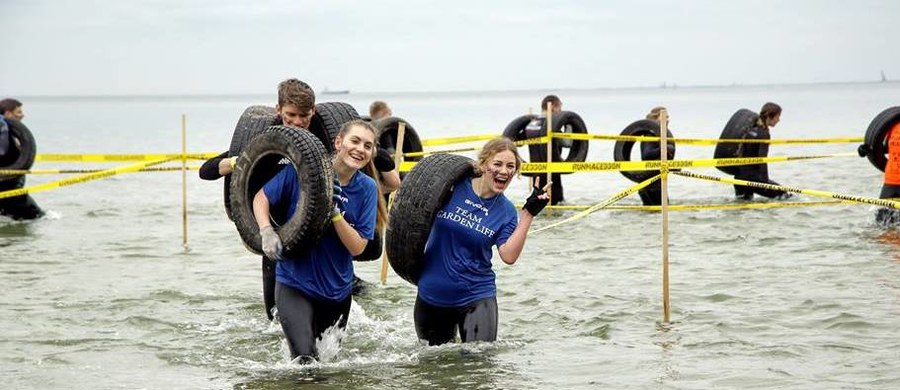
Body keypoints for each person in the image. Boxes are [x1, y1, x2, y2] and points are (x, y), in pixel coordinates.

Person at [253, 119, 379, 362]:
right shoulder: (303, 173)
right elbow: (260, 198)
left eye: (367, 145)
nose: (360, 149)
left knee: (327, 366)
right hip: (295, 284)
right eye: (355, 141)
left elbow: (358, 247)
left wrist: (333, 212)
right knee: (305, 364)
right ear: (339, 142)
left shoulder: (367, 188)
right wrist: (266, 230)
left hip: (338, 294)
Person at [199, 78, 317, 321]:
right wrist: (241, 161)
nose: (297, 122)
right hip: (273, 232)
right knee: (274, 317)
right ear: (278, 110)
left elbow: (378, 158)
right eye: (290, 114)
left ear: (313, 111)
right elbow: (206, 170)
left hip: (316, 233)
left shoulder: (323, 138)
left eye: (303, 115)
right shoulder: (263, 139)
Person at [414, 137, 550, 346]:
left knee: (479, 366)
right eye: (498, 164)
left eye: (511, 166)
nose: (504, 171)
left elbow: (509, 256)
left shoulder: (506, 211)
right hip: (432, 294)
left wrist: (528, 214)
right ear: (483, 164)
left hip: (477, 296)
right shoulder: (452, 188)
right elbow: (412, 210)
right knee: (433, 368)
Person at [733, 102, 792, 200]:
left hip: (739, 178)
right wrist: (765, 182)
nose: (779, 120)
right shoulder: (764, 134)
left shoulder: (750, 130)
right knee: (785, 195)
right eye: (777, 117)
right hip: (754, 179)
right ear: (769, 116)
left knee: (743, 208)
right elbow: (762, 160)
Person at [0, 98, 44, 220]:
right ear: (8, 114)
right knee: (40, 219)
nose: (22, 115)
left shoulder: (9, 132)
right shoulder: (3, 132)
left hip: (9, 189)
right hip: (11, 190)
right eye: (18, 112)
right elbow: (2, 152)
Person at [526, 95, 564, 205]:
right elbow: (567, 143)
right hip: (551, 177)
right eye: (559, 108)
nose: (561, 111)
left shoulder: (531, 124)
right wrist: (569, 127)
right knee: (556, 206)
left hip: (536, 175)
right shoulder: (551, 125)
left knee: (536, 206)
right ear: (552, 106)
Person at [638, 106, 676, 206]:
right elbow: (647, 154)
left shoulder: (660, 135)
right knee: (659, 213)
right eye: (664, 117)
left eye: (668, 117)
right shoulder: (651, 135)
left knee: (654, 217)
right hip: (651, 184)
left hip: (654, 182)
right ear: (656, 118)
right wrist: (665, 148)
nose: (668, 120)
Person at [876, 120, 900, 224]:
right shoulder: (893, 124)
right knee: (882, 224)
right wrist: (868, 150)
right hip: (890, 182)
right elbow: (883, 147)